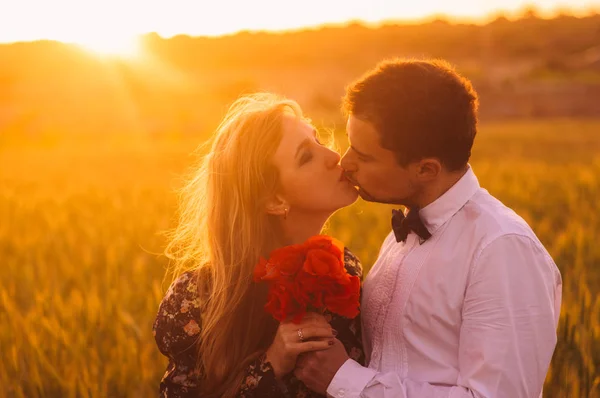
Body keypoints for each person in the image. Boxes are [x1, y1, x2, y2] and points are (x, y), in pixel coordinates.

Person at [294, 59, 563, 398]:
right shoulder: (404, 234)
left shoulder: (501, 249)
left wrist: (346, 380)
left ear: (426, 170)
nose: (345, 162)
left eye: (364, 156)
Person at [153, 93, 365, 397]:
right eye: (306, 156)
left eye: (318, 140)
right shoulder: (196, 298)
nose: (333, 156)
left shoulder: (344, 269)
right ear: (274, 200)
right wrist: (271, 363)